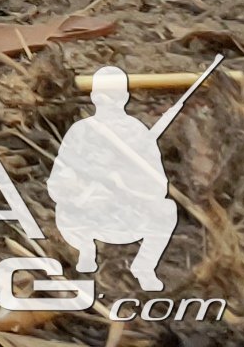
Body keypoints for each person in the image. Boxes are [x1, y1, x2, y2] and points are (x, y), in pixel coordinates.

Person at [46, 66, 180, 290]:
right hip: (85, 214)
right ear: (93, 97)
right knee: (66, 210)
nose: (108, 101)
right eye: (103, 96)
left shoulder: (138, 131)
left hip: (127, 215)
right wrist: (84, 193)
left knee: (167, 210)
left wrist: (126, 185)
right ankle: (86, 251)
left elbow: (158, 185)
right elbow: (58, 181)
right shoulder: (80, 131)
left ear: (125, 98)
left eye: (114, 96)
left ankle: (144, 267)